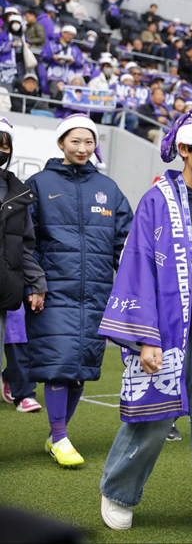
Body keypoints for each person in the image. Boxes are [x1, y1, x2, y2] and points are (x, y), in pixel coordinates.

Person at [97, 107, 192, 542]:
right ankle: (119, 492)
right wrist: (145, 337)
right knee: (148, 425)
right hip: (165, 334)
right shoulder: (154, 201)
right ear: (184, 149)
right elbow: (137, 267)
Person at [25, 115, 132, 467]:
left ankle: (58, 434)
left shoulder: (109, 188)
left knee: (81, 366)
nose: (83, 148)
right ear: (61, 144)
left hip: (97, 293)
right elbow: (26, 241)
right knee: (60, 362)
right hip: (53, 291)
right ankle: (59, 437)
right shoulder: (39, 184)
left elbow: (125, 242)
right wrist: (35, 282)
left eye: (89, 142)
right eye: (76, 141)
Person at [0, 118, 47, 417]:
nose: (2, 150)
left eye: (5, 145)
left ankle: (17, 387)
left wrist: (37, 282)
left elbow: (24, 247)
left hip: (5, 292)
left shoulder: (18, 193)